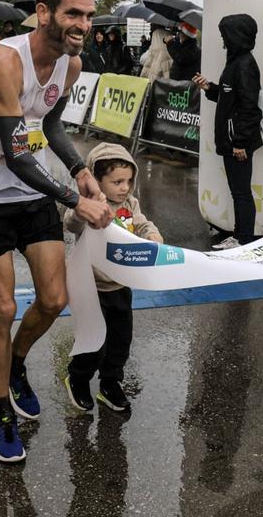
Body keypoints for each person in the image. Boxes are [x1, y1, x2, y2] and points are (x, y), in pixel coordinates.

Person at [0, 0, 112, 463]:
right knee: (2, 308)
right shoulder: (5, 61)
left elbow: (49, 122)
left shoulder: (71, 62)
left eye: (89, 15)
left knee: (52, 299)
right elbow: (15, 152)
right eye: (73, 13)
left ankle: (17, 363)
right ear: (42, 12)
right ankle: (1, 409)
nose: (83, 25)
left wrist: (80, 169)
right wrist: (76, 199)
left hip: (31, 193)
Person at [62, 142, 162, 413]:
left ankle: (110, 383)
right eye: (117, 181)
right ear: (96, 180)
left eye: (128, 181)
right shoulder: (89, 205)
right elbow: (70, 222)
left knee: (120, 340)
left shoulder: (130, 203)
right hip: (90, 287)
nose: (124, 187)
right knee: (93, 343)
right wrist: (83, 207)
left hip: (120, 284)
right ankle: (78, 378)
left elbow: (141, 223)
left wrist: (151, 234)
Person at [193, 15, 263, 250]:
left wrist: (240, 142)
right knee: (238, 191)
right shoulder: (235, 62)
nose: (223, 39)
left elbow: (249, 107)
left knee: (241, 192)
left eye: (225, 35)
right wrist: (209, 87)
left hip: (237, 142)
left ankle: (243, 240)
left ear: (235, 36)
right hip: (233, 140)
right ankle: (239, 237)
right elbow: (228, 97)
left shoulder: (245, 65)